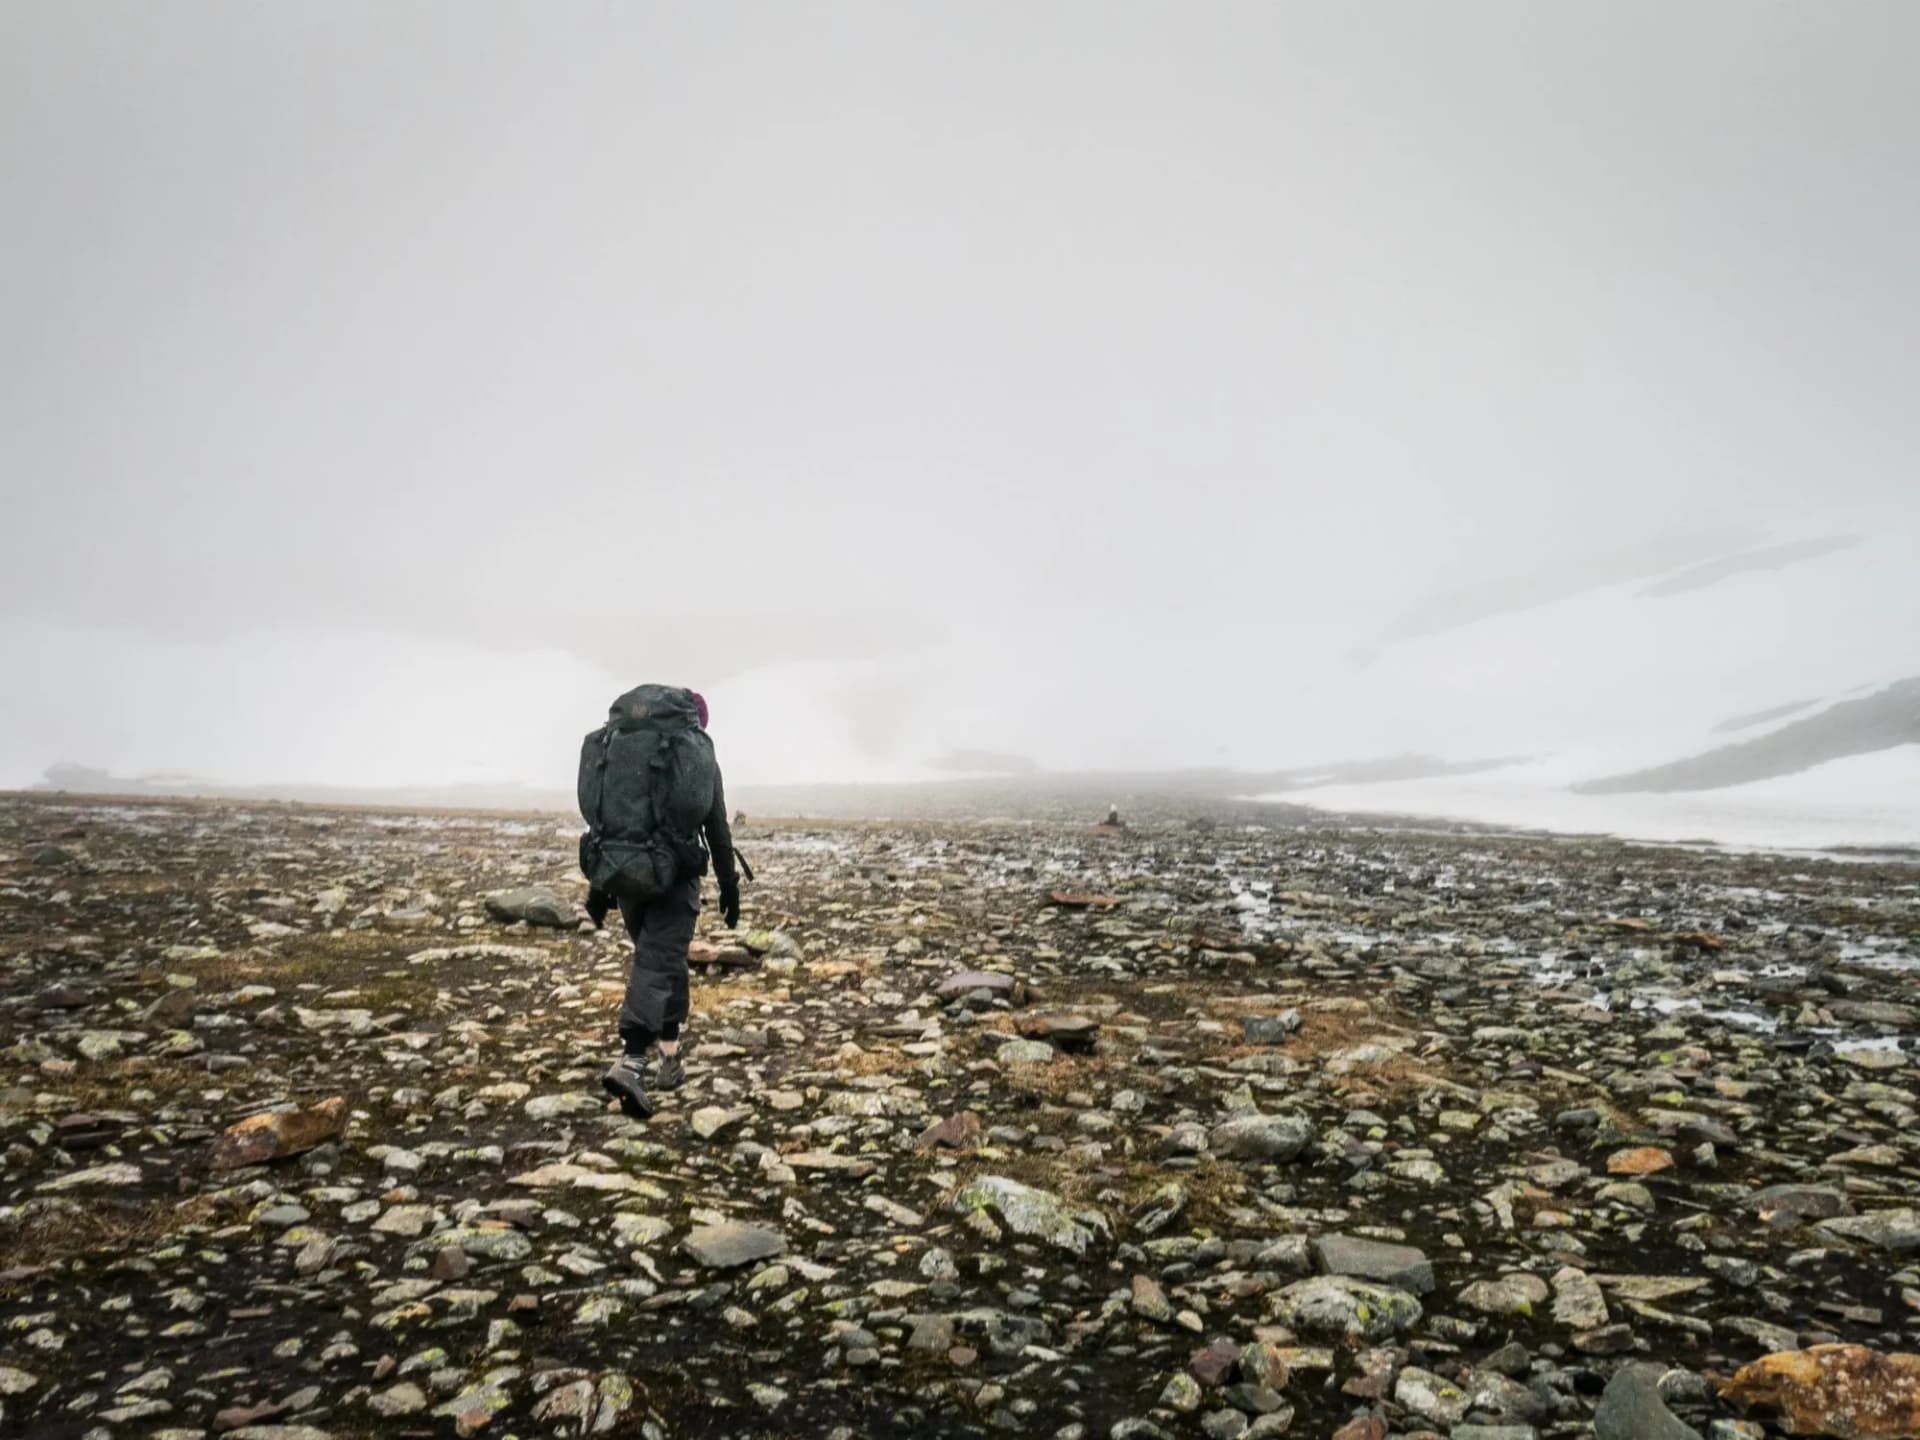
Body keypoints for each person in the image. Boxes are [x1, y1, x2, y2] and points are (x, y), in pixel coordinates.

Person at [594, 688, 740, 1119]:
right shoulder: (698, 761)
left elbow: (608, 816)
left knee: (664, 960)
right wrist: (729, 885)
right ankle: (633, 1060)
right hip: (674, 878)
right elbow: (716, 828)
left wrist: (598, 888)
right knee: (658, 962)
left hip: (625, 876)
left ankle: (670, 1058)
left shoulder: (626, 755)